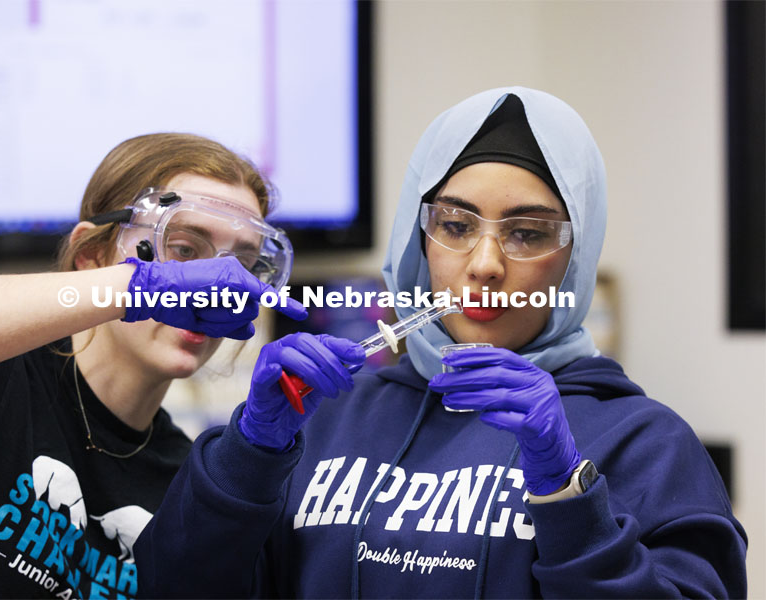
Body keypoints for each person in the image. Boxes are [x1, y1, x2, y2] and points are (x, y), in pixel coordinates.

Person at [133, 88, 748, 598]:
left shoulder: (646, 443)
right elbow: (172, 587)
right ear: (417, 242)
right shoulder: (325, 419)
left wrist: (567, 494)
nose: (484, 264)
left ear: (574, 260)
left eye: (528, 234)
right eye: (454, 226)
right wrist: (249, 453)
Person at [0, 133, 306, 598]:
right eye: (182, 250)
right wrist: (135, 286)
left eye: (241, 265)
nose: (213, 289)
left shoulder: (181, 477)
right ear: (91, 256)